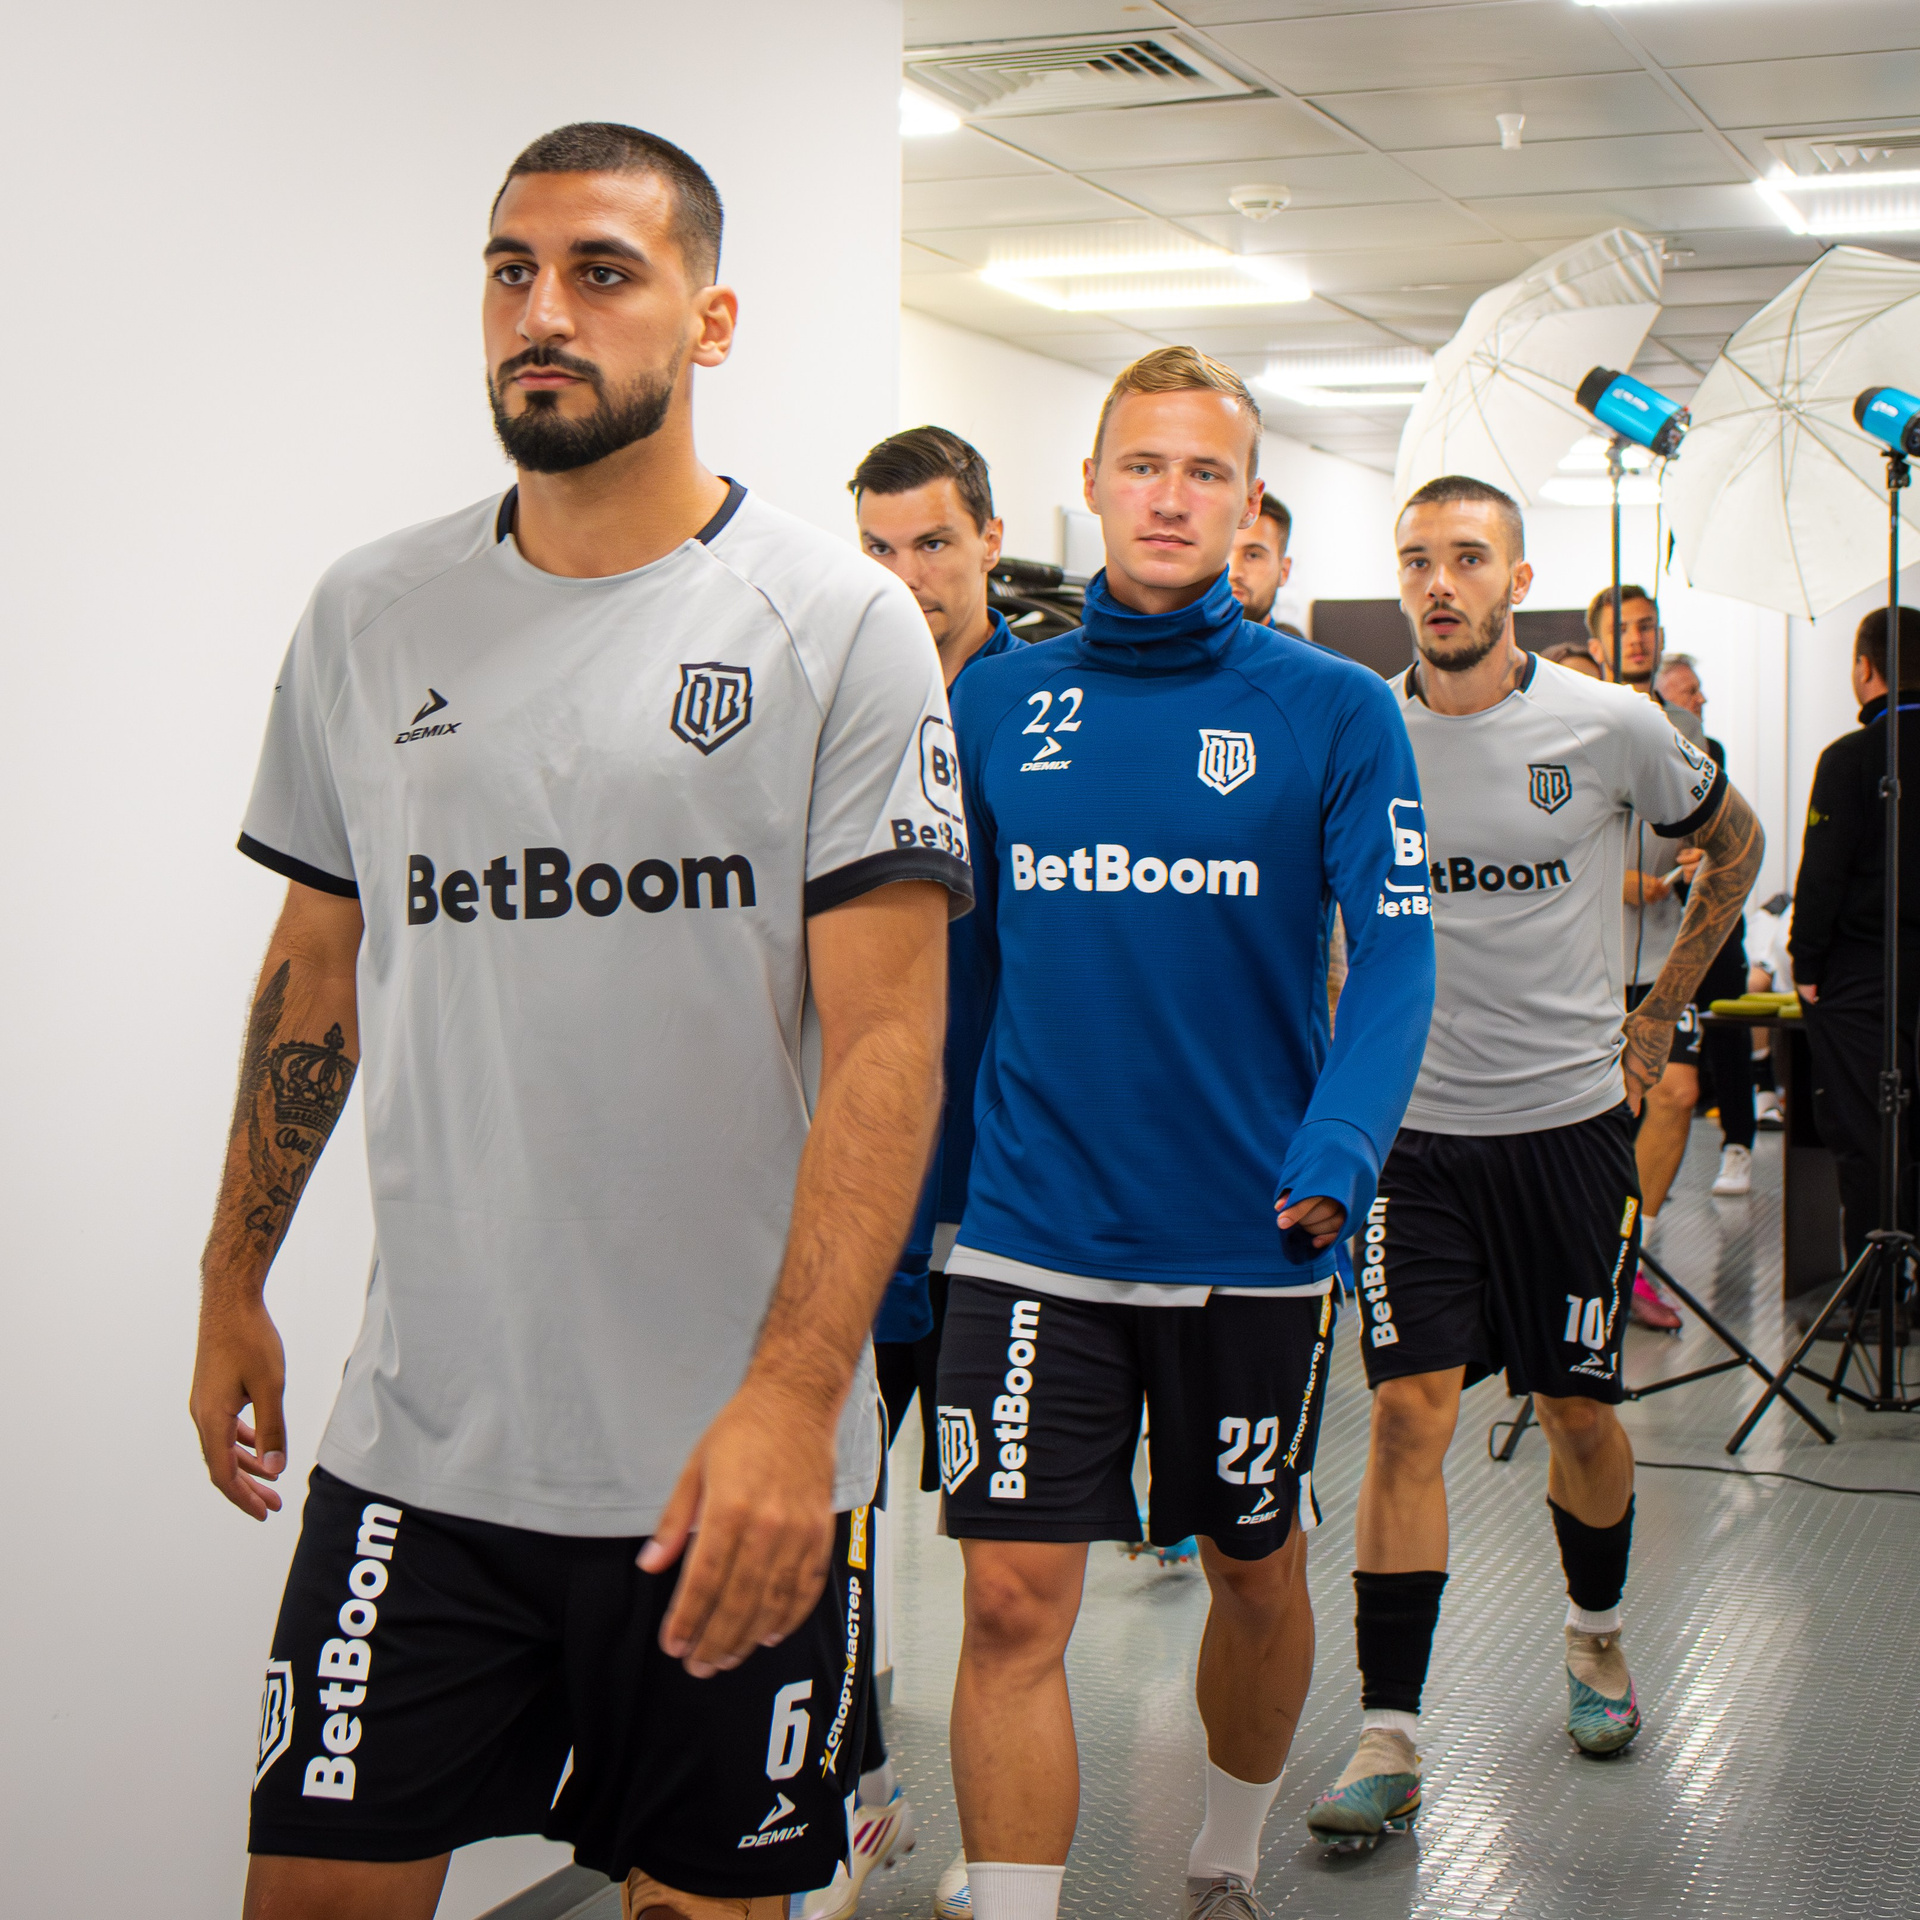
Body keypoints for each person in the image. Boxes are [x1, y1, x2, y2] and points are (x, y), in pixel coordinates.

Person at [189, 123, 973, 1920]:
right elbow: (316, 967)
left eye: (603, 272)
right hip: (424, 1446)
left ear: (711, 320)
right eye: (511, 271)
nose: (544, 312)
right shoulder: (370, 613)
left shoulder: (834, 623)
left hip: (726, 1463)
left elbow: (889, 1045)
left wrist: (796, 1402)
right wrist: (233, 1278)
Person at [937, 345, 1437, 1920]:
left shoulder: (1333, 709)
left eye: (1204, 471)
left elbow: (1398, 955)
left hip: (1249, 1232)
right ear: (1090, 483)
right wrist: (919, 1213)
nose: (1169, 497)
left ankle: (1222, 1861)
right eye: (1142, 465)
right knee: (1010, 1605)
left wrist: (1340, 1149)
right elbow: (961, 977)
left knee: (1252, 1569)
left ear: (1248, 502)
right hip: (1031, 1229)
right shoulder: (995, 698)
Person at [1307, 477, 1761, 1846]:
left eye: (1467, 558)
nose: (1438, 583)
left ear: (1517, 578)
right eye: (1416, 560)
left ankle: (1597, 1634)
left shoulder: (1609, 724)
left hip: (1567, 1133)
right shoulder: (1360, 729)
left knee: (1577, 1414)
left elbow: (1733, 842)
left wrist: (1661, 1010)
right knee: (1407, 1415)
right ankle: (1390, 1732)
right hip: (1413, 1141)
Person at [790, 426, 1023, 1920]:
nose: (905, 576)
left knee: (1002, 1557)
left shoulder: (1040, 710)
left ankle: (1010, 1836)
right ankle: (858, 1795)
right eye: (876, 548)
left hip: (1006, 1200)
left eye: (932, 543)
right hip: (867, 1194)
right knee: (838, 1517)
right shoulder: (831, 702)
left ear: (989, 540)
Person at [1790, 606, 1920, 1275]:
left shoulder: (1850, 758)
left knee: (1867, 1133)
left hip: (1864, 976)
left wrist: (1805, 960)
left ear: (1865, 668)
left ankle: (1875, 1290)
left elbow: (1823, 872)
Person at [1589, 587, 1704, 1327]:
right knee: (1600, 1115)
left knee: (1676, 1093)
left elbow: (1708, 821)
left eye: (1646, 627)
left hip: (1665, 951)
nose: (1637, 639)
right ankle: (1585, 1258)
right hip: (1589, 957)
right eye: (1622, 629)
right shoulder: (1577, 718)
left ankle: (1633, 1258)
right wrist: (1611, 879)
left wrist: (1699, 855)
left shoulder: (1685, 729)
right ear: (1598, 643)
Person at [1655, 654, 1756, 1196]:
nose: (1699, 700)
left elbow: (1725, 837)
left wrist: (1706, 857)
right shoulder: (1635, 750)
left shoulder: (1708, 753)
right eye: (1687, 692)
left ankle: (1738, 1145)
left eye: (1697, 690)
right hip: (1655, 927)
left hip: (1711, 923)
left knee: (1727, 1031)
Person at [1226, 490, 1304, 637]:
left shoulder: (1298, 652)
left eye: (1253, 555)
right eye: (1222, 553)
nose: (1233, 573)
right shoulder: (1178, 648)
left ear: (1284, 571)